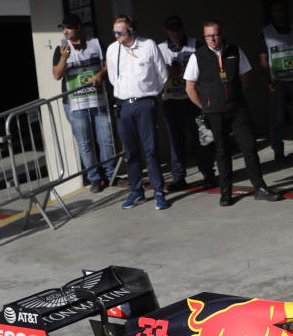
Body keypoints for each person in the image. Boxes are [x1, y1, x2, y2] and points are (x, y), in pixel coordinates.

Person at [183, 20, 281, 207]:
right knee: (222, 152)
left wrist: (234, 99)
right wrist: (205, 107)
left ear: (222, 34)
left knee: (250, 147)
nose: (213, 38)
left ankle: (260, 188)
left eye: (216, 34)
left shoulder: (235, 51)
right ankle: (225, 192)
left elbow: (244, 79)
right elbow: (190, 87)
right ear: (204, 37)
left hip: (237, 110)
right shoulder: (198, 56)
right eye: (209, 36)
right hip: (214, 112)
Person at [106, 15, 171, 210]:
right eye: (114, 32)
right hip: (124, 105)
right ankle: (136, 192)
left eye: (120, 32)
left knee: (150, 150)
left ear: (132, 31)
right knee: (131, 151)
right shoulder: (112, 49)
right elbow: (112, 78)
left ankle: (159, 191)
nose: (117, 36)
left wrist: (148, 96)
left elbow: (163, 75)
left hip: (145, 104)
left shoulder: (148, 45)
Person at [51, 13, 116, 193]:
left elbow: (108, 65)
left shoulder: (96, 44)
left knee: (106, 138)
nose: (65, 31)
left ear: (79, 27)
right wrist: (64, 58)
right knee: (85, 142)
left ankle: (110, 173)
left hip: (97, 99)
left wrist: (101, 74)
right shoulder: (61, 48)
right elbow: (56, 75)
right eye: (63, 28)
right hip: (75, 104)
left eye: (69, 28)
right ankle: (94, 177)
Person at [158, 15, 215, 190]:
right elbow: (153, 74)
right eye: (171, 30)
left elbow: (206, 69)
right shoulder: (160, 49)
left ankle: (208, 173)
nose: (175, 33)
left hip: (193, 101)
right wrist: (167, 71)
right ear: (167, 31)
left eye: (177, 29)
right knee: (176, 141)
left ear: (182, 29)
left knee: (202, 137)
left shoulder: (195, 44)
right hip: (171, 102)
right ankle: (179, 177)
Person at [259, 2, 293, 163]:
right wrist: (271, 78)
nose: (278, 13)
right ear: (271, 13)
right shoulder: (266, 32)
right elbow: (263, 60)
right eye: (275, 10)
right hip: (277, 81)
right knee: (277, 116)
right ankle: (278, 150)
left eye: (281, 9)